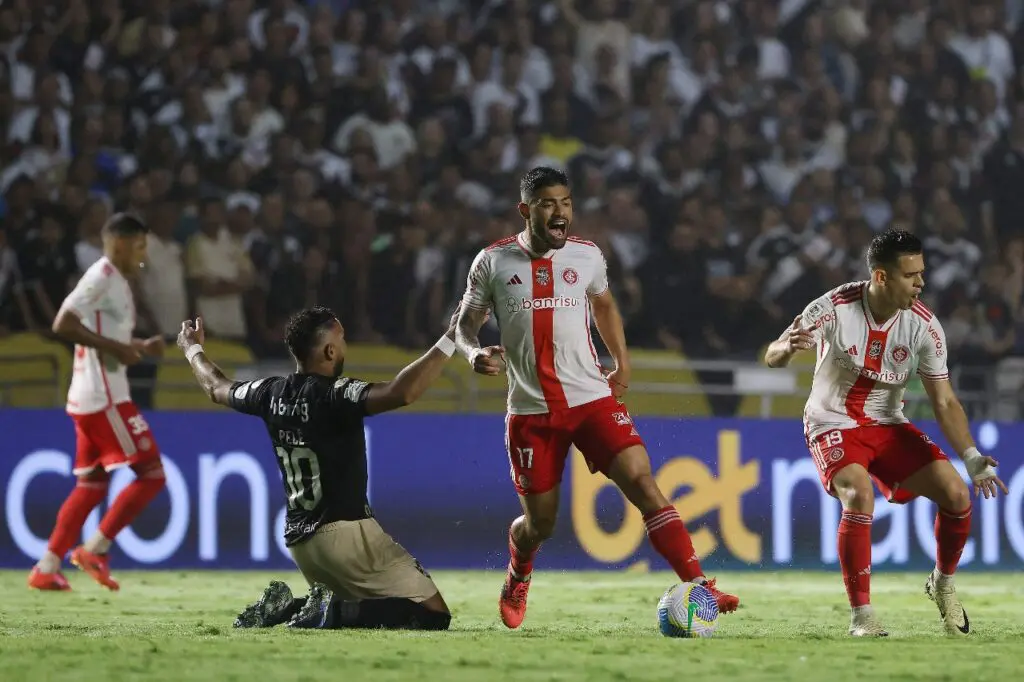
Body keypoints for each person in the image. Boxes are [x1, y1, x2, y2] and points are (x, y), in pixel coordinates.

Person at [454, 166, 740, 629]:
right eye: (548, 203)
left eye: (565, 202)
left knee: (643, 481)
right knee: (540, 525)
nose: (559, 211)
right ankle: (518, 570)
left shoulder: (587, 256)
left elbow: (604, 305)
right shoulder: (492, 262)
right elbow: (464, 326)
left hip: (591, 398)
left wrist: (621, 362)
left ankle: (700, 584)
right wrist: (471, 353)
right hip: (531, 411)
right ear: (526, 210)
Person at [762, 228, 1009, 637]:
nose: (921, 283)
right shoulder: (834, 307)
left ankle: (943, 584)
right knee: (859, 494)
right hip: (831, 421)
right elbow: (773, 355)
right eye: (911, 275)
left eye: (921, 273)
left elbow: (944, 401)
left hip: (886, 423)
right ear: (881, 277)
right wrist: (787, 347)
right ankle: (862, 616)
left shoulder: (924, 327)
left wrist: (971, 457)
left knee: (957, 494)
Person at [176, 304, 470, 631]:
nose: (344, 346)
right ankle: (331, 615)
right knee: (432, 614)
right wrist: (449, 339)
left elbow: (216, 387)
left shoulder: (269, 392)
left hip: (301, 545)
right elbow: (402, 392)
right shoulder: (335, 395)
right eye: (342, 339)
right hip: (346, 535)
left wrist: (193, 350)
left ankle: (289, 607)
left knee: (357, 603)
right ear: (330, 350)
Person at [28, 213, 167, 592]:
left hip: (93, 395)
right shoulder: (102, 276)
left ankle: (46, 566)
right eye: (139, 246)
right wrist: (121, 348)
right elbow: (64, 324)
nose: (143, 255)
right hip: (105, 398)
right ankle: (95, 549)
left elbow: (99, 335)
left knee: (91, 486)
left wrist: (136, 346)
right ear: (119, 243)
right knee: (152, 474)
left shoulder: (117, 281)